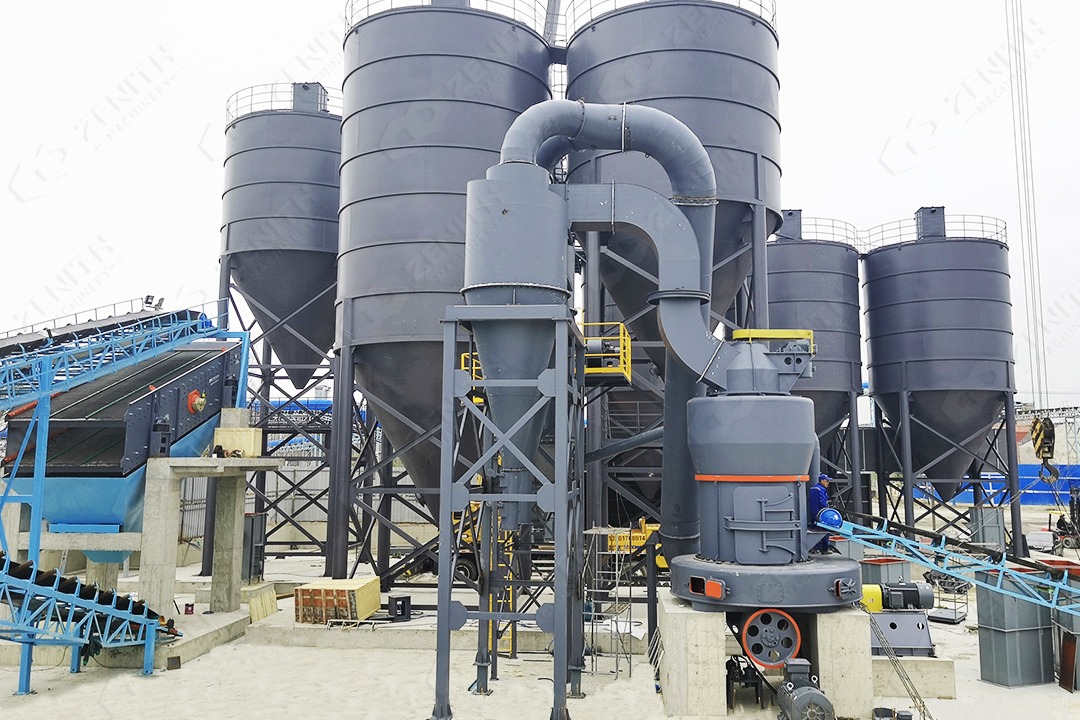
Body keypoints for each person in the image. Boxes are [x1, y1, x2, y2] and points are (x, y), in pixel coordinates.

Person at [809, 473, 834, 554]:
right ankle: (825, 548)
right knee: (825, 529)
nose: (828, 483)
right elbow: (822, 502)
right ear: (822, 481)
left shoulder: (813, 488)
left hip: (813, 512)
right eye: (827, 481)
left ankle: (814, 548)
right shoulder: (821, 489)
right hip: (820, 513)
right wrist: (827, 511)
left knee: (814, 530)